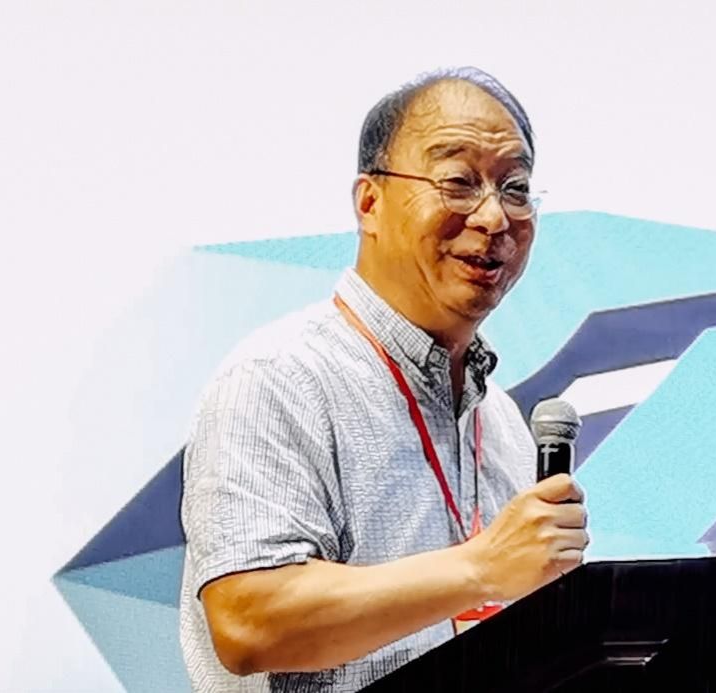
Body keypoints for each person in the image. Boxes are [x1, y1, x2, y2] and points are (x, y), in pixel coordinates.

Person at [178, 66, 590, 692]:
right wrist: (480, 568)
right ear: (369, 202)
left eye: (515, 188)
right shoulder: (280, 379)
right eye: (458, 182)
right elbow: (249, 622)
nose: (493, 216)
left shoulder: (502, 422)